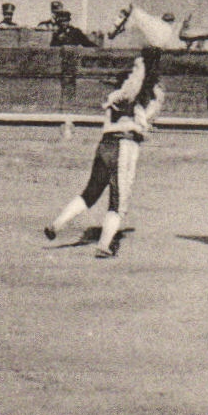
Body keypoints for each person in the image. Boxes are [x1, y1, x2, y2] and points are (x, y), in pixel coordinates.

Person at [44, 47, 164, 258]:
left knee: (91, 192)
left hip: (104, 145)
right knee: (118, 202)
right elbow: (151, 100)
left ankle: (57, 224)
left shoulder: (115, 96)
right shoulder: (139, 101)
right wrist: (147, 68)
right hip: (124, 146)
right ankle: (105, 245)